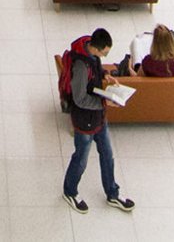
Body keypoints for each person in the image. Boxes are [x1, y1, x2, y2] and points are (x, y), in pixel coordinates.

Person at [60, 29, 134, 214]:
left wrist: (103, 74)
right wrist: (104, 102)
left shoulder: (91, 54)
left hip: (99, 118)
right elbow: (79, 99)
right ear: (96, 48)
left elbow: (95, 69)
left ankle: (112, 193)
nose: (104, 56)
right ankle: (70, 191)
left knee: (107, 155)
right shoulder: (80, 67)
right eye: (105, 53)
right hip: (84, 120)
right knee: (81, 159)